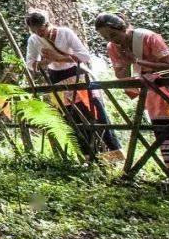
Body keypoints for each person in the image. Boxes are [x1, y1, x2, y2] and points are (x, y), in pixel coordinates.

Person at [95, 12, 169, 185]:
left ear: (123, 28)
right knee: (164, 131)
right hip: (155, 92)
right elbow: (121, 74)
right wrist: (126, 62)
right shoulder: (113, 48)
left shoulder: (148, 37)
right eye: (106, 38)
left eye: (114, 35)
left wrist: (137, 61)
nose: (112, 40)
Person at [24, 9, 123, 160]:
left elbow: (84, 56)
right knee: (73, 117)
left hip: (77, 74)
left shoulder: (65, 33)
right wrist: (43, 62)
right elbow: (30, 63)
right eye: (34, 31)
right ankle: (88, 156)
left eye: (40, 29)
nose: (38, 33)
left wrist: (59, 57)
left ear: (47, 24)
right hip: (56, 78)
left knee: (95, 112)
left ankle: (112, 153)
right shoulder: (33, 40)